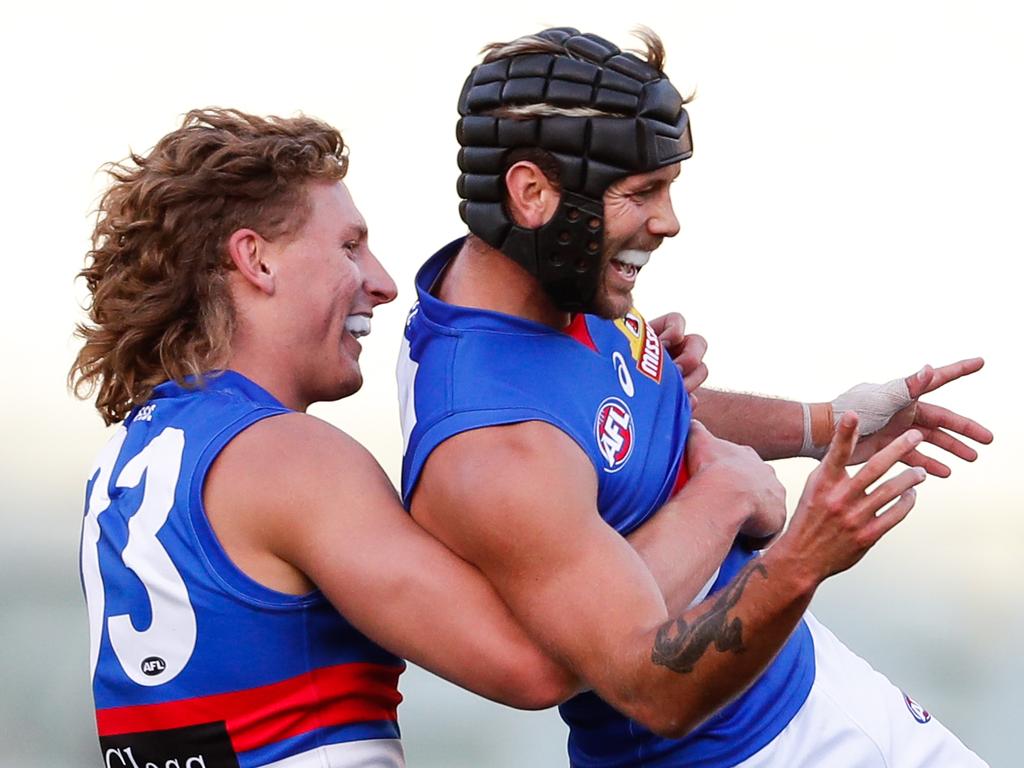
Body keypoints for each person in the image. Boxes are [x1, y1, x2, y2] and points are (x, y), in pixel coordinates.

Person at [71, 108, 829, 768]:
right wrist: (720, 500)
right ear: (254, 258)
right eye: (348, 247)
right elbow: (537, 665)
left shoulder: (128, 458)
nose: (383, 281)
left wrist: (632, 389)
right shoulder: (288, 459)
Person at [398, 27, 992, 767]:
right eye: (643, 192)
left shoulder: (542, 279)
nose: (669, 221)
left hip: (813, 686)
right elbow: (651, 688)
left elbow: (619, 424)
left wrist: (821, 425)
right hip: (743, 750)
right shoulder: (491, 445)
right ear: (531, 192)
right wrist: (797, 545)